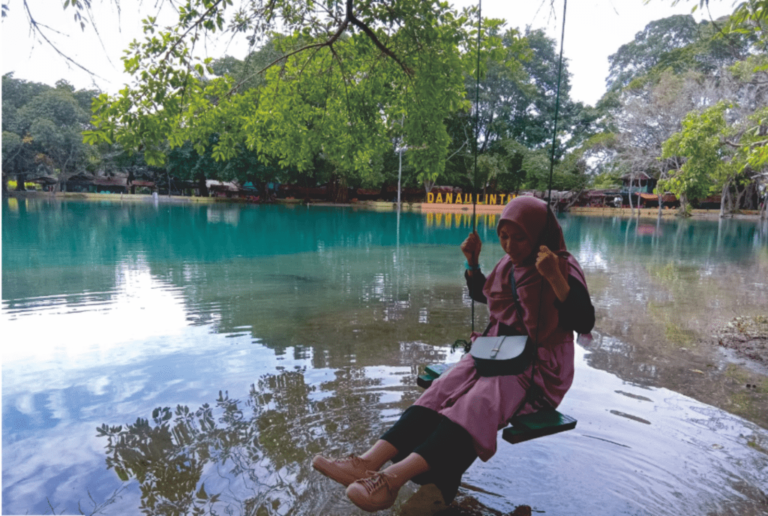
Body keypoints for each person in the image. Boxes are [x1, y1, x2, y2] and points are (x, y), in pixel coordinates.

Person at [312, 196, 595, 512]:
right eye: (503, 236)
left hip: (538, 365)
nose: (510, 245)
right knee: (441, 388)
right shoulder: (509, 265)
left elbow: (584, 320)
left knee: (478, 402)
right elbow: (487, 297)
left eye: (520, 237)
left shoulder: (560, 265)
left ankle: (390, 480)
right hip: (496, 351)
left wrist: (554, 277)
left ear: (539, 235)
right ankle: (368, 462)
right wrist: (472, 263)